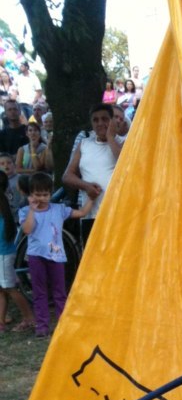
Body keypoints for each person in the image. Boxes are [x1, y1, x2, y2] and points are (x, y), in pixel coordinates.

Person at [18, 172, 93, 337]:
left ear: (50, 193)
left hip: (56, 257)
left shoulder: (59, 209)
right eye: (37, 194)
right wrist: (32, 210)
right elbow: (27, 229)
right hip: (36, 256)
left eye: (45, 195)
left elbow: (81, 213)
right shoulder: (25, 211)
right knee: (39, 292)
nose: (41, 198)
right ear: (31, 194)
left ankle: (62, 324)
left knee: (60, 291)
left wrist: (92, 199)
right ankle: (42, 325)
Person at [62, 103, 125, 240]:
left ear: (112, 120)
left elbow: (126, 164)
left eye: (104, 119)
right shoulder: (84, 144)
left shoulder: (124, 142)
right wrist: (86, 186)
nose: (100, 123)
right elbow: (67, 176)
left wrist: (110, 137)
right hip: (91, 215)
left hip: (119, 214)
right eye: (95, 120)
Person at [0, 170, 36, 333]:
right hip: (5, 251)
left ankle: (29, 317)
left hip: (3, 253)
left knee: (9, 288)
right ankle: (1, 321)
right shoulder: (4, 202)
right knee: (2, 288)